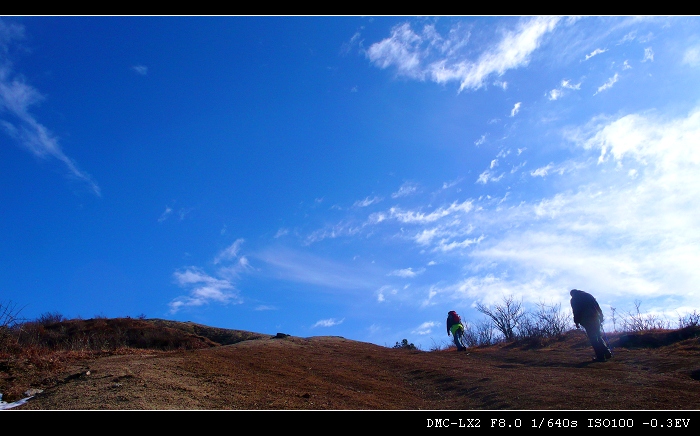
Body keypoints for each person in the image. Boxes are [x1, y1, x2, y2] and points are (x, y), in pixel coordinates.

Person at [569, 289, 612, 362]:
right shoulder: (588, 295)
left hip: (586, 319)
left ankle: (600, 356)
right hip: (595, 317)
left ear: (572, 294)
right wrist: (601, 315)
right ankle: (606, 352)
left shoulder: (574, 299)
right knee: (598, 335)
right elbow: (597, 305)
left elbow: (575, 311)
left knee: (593, 337)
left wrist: (576, 322)